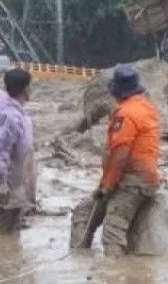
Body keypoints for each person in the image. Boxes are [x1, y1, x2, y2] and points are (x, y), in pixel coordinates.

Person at [69, 65, 161, 254]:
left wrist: (107, 186)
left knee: (112, 230)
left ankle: (116, 275)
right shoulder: (145, 107)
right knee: (84, 212)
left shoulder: (126, 114)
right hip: (135, 179)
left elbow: (120, 154)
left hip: (130, 182)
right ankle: (80, 258)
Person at [0, 69, 35, 234]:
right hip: (5, 192)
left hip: (14, 189)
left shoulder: (12, 112)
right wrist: (0, 183)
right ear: (26, 90)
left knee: (9, 241)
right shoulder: (9, 116)